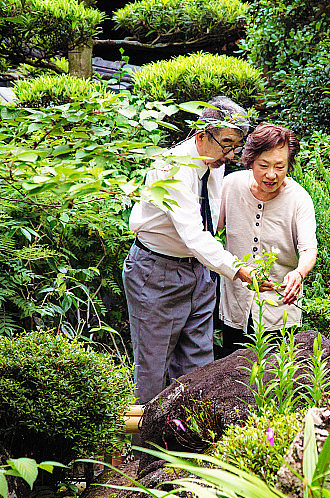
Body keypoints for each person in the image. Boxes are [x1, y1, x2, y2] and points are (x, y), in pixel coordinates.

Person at [123, 96, 272, 405]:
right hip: (157, 271)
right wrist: (237, 269)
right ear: (203, 134)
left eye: (237, 146)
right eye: (227, 144)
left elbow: (210, 223)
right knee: (153, 371)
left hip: (199, 271)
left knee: (199, 368)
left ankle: (190, 434)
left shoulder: (214, 162)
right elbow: (193, 234)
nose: (230, 154)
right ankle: (146, 437)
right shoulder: (174, 168)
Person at [218, 123, 318, 356]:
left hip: (280, 312)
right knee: (233, 372)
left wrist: (299, 273)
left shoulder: (299, 199)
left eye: (280, 166)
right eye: (263, 165)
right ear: (250, 161)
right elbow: (208, 233)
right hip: (235, 308)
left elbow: (308, 249)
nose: (271, 174)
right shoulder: (230, 185)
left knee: (277, 372)